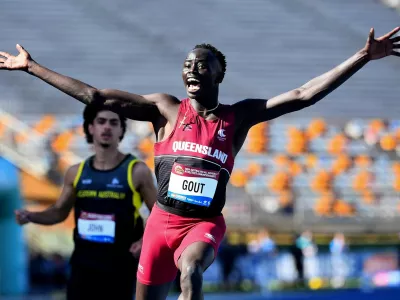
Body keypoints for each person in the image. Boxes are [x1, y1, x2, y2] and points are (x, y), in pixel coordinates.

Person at [1, 26, 399, 300]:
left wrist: (363, 57)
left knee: (191, 272)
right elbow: (95, 96)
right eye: (188, 63)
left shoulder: (238, 117)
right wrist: (32, 67)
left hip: (203, 224)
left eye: (202, 63)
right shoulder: (164, 110)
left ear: (219, 73)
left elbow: (304, 94)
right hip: (160, 225)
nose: (193, 68)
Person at [14, 102, 157, 300]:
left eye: (114, 123)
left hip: (119, 263)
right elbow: (58, 212)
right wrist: (31, 216)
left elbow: (159, 213)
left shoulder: (137, 171)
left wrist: (144, 241)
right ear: (91, 128)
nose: (107, 127)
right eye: (101, 122)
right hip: (83, 263)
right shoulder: (76, 172)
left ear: (121, 130)